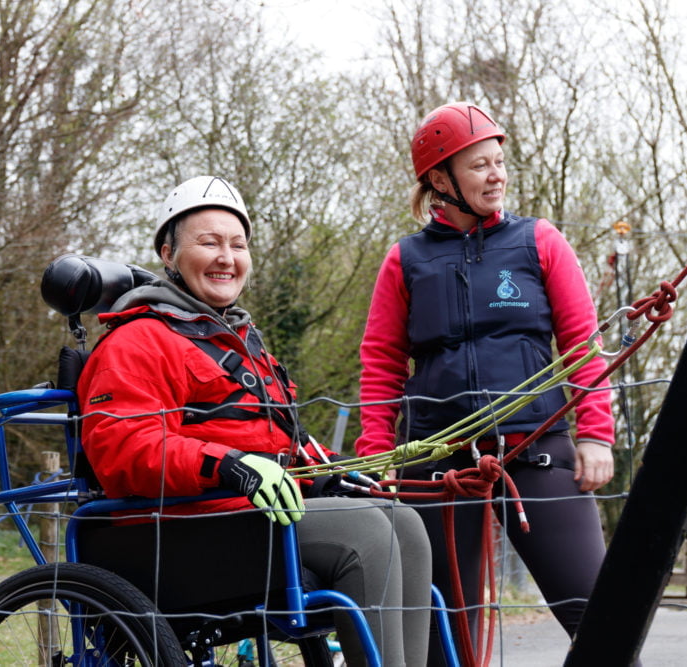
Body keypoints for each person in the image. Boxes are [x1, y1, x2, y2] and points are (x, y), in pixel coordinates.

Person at [78, 175, 431, 666]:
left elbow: (287, 443)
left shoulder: (238, 342)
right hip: (180, 529)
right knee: (369, 533)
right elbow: (123, 448)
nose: (227, 257)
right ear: (167, 253)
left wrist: (339, 474)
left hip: (248, 522)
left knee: (405, 522)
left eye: (238, 245)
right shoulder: (136, 341)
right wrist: (231, 464)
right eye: (209, 243)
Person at [355, 103, 616, 664]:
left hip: (536, 452)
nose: (496, 175)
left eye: (499, 162)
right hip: (440, 463)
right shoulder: (405, 260)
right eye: (480, 165)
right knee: (448, 640)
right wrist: (378, 458)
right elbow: (380, 363)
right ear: (439, 179)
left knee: (602, 617)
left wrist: (595, 433)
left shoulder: (539, 241)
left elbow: (582, 345)